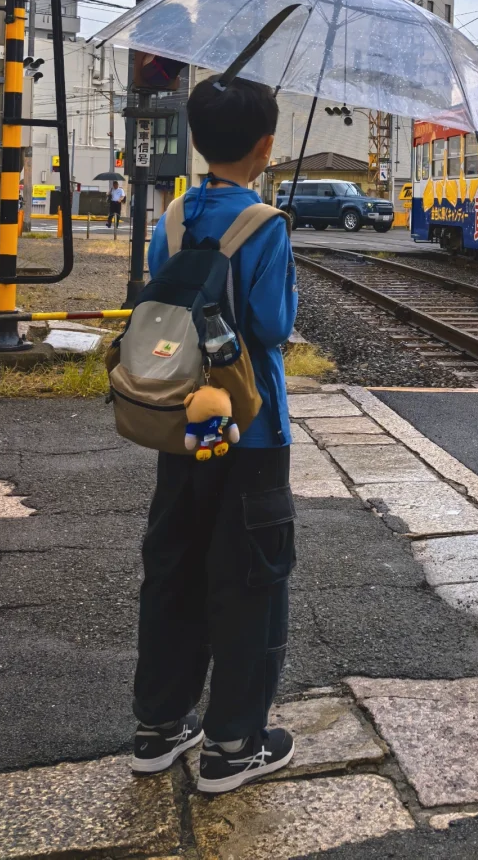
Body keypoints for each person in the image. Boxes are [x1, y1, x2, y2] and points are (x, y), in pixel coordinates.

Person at [130, 76, 298, 795]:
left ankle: (159, 728)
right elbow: (273, 326)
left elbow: (154, 295)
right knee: (250, 580)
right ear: (264, 147)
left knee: (174, 568)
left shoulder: (172, 216)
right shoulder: (265, 223)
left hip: (179, 427)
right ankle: (234, 744)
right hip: (251, 431)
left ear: (196, 140)